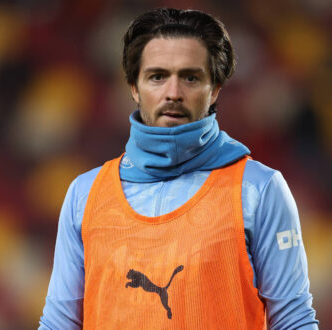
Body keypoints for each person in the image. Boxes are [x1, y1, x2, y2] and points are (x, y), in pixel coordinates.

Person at [39, 8, 318, 329]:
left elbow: (293, 320)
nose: (173, 93)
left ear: (214, 89)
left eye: (190, 77)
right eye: (157, 76)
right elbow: (60, 322)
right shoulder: (85, 195)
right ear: (133, 87)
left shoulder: (259, 189)